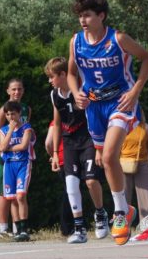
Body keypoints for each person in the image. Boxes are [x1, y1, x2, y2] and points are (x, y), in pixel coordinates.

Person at [67, 0, 148, 245]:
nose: (82, 20)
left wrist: (135, 90)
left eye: (87, 15)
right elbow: (71, 74)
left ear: (101, 16)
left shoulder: (118, 39)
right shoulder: (76, 42)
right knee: (105, 161)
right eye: (80, 16)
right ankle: (125, 208)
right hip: (94, 106)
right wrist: (76, 93)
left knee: (108, 157)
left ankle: (119, 212)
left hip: (121, 102)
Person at [45, 57, 109, 244]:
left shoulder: (83, 90)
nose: (49, 80)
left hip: (88, 138)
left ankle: (100, 213)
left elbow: (96, 116)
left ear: (63, 74)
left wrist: (100, 147)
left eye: (52, 76)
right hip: (69, 141)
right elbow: (57, 124)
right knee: (71, 184)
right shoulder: (54, 95)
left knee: (90, 181)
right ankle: (79, 228)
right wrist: (55, 153)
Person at [0, 78, 31, 239]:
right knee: (5, 192)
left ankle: (18, 227)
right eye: (13, 89)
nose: (16, 92)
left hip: (21, 157)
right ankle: (3, 227)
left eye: (19, 89)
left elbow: (25, 132)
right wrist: (2, 153)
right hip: (6, 156)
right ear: (8, 91)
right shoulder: (4, 109)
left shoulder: (26, 109)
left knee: (20, 194)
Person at [0, 101, 35, 242]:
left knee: (21, 196)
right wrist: (10, 131)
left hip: (23, 163)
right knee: (12, 198)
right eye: (7, 114)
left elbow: (23, 146)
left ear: (19, 113)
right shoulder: (3, 130)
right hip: (9, 165)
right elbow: (1, 147)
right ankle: (18, 230)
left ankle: (24, 229)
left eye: (13, 113)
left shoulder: (26, 128)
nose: (10, 117)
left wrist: (8, 148)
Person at [121, 114, 148, 222]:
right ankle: (122, 223)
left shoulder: (146, 128)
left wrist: (142, 158)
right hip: (123, 163)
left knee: (146, 196)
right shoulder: (120, 127)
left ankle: (147, 224)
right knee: (123, 195)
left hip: (142, 162)